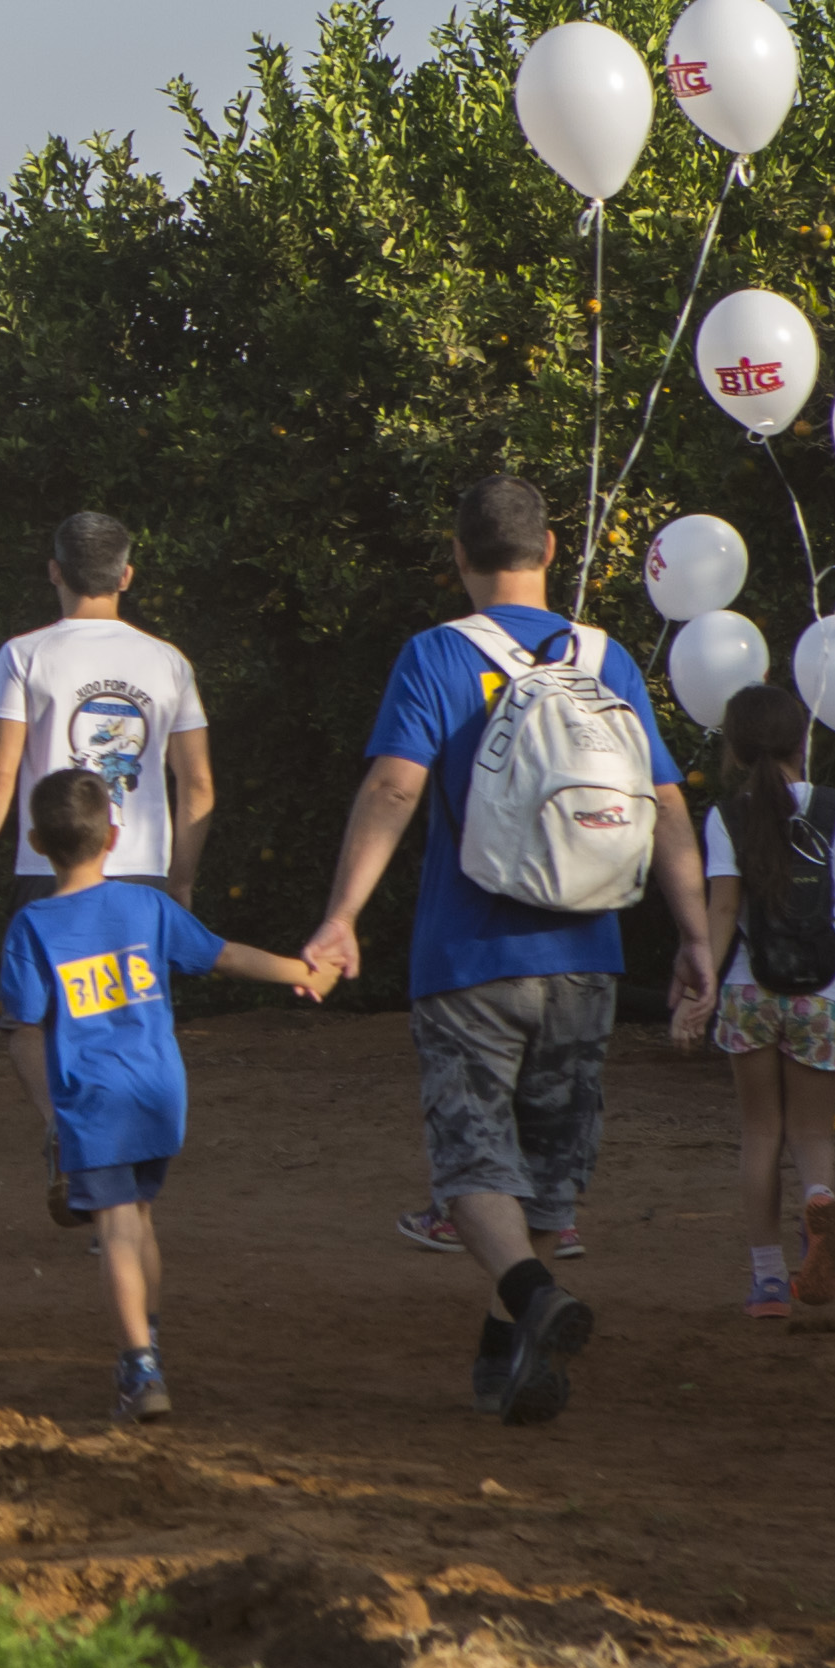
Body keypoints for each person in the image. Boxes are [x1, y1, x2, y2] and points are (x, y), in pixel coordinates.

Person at [298, 471, 710, 1427]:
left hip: (471, 952)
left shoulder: (436, 656)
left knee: (474, 1167)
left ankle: (529, 1302)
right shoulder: (606, 659)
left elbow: (396, 789)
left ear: (458, 556)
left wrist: (341, 915)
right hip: (588, 957)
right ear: (553, 551)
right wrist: (693, 936)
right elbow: (669, 806)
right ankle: (503, 1359)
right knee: (542, 1178)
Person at [3, 764, 331, 1421]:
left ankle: (140, 1368)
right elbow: (227, 956)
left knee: (118, 1227)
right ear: (113, 835)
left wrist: (50, 1116)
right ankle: (146, 1340)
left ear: (36, 843)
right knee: (141, 1218)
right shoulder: (147, 906)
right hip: (159, 1090)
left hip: (93, 1101)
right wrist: (304, 972)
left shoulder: (32, 926)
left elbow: (23, 1031)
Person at [682, 679, 835, 1327]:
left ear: (734, 752)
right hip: (824, 995)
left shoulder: (725, 817)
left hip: (746, 990)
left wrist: (701, 987)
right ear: (803, 741)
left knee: (760, 1133)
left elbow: (724, 908)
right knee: (813, 1133)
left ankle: (767, 1284)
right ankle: (819, 1198)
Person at [0, 511, 214, 933]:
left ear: (55, 572)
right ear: (125, 576)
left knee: (52, 996)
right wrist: (181, 881)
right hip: (144, 872)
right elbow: (198, 783)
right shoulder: (170, 662)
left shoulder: (24, 654)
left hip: (49, 866)